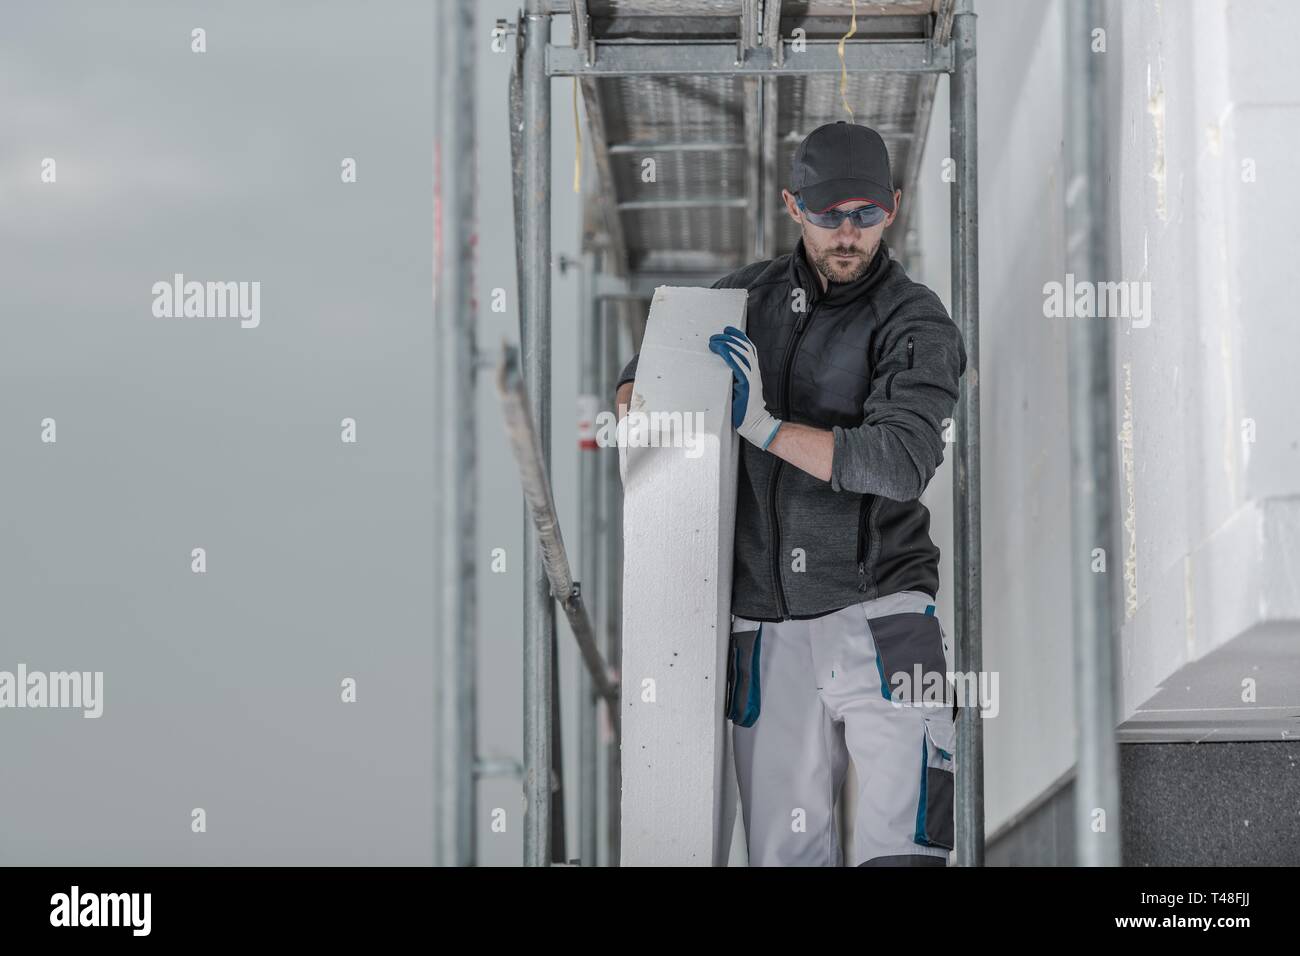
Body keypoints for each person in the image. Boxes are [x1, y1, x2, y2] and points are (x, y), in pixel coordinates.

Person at [614, 121, 968, 866]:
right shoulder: (743, 297)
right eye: (828, 213)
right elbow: (647, 366)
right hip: (768, 628)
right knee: (785, 852)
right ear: (792, 205)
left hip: (885, 611)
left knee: (908, 845)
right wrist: (641, 395)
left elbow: (901, 462)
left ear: (894, 208)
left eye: (866, 214)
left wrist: (765, 428)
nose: (848, 232)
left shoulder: (915, 320)